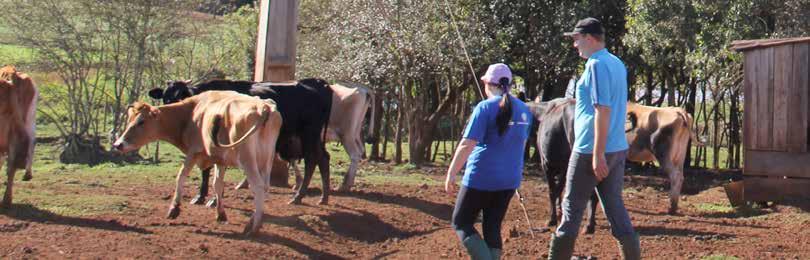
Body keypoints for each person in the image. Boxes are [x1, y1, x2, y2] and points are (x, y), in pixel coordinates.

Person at [547, 17, 641, 260]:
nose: (575, 45)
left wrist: (597, 154)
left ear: (589, 38)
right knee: (615, 208)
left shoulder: (596, 65)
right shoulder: (617, 63)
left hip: (591, 150)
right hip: (617, 148)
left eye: (577, 39)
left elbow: (603, 109)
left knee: (570, 211)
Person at [445, 63, 532, 260]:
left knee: (461, 222)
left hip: (481, 177)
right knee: (492, 225)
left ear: (487, 84)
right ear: (508, 84)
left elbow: (467, 144)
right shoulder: (525, 110)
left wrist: (451, 173)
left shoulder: (484, 108)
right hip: (509, 180)